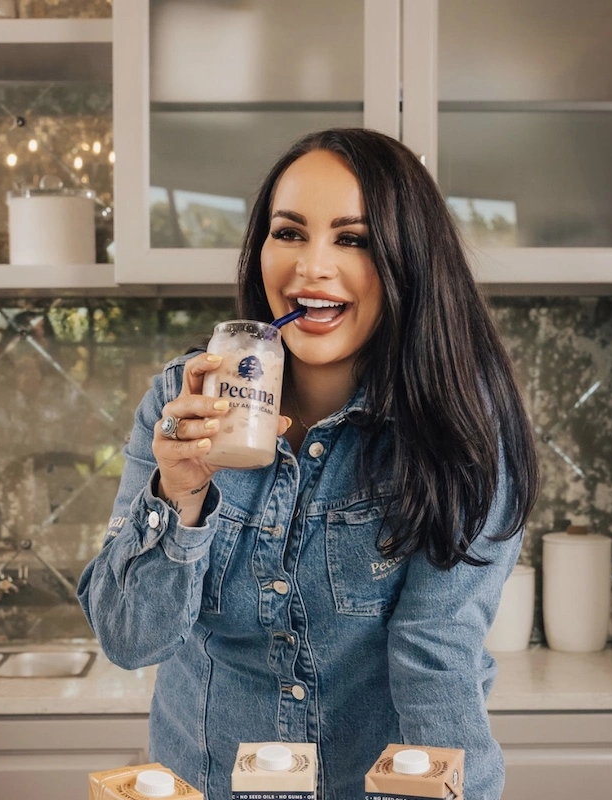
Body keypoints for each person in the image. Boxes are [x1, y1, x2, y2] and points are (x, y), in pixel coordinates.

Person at [77, 128, 539, 800]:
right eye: (289, 233)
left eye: (352, 239)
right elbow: (128, 639)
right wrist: (177, 498)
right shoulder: (181, 406)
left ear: (407, 260)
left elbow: (436, 660)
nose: (311, 267)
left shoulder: (459, 429)